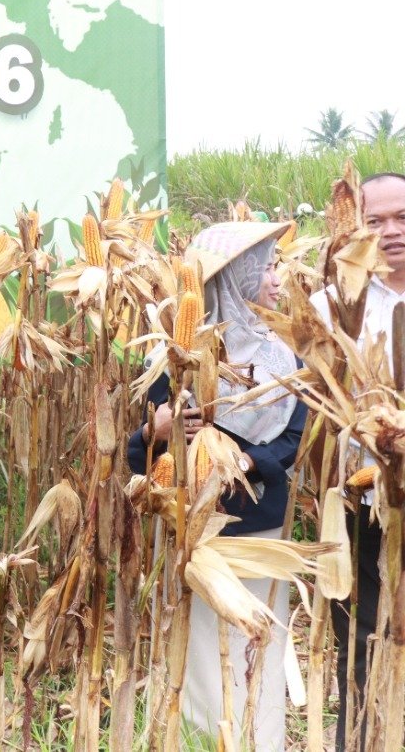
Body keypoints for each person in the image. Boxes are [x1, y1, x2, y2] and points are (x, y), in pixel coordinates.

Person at [127, 220, 306, 752]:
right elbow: (140, 454)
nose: (276, 280)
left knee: (257, 643)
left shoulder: (282, 356)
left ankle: (260, 742)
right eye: (266, 268)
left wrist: (246, 460)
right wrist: (155, 431)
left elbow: (294, 438)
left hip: (259, 526)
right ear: (236, 277)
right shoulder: (172, 358)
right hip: (191, 529)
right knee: (197, 647)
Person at [312, 171, 404, 747]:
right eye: (376, 220)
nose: (390, 231)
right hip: (365, 503)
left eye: (402, 218)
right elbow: (312, 410)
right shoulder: (330, 309)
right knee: (365, 643)